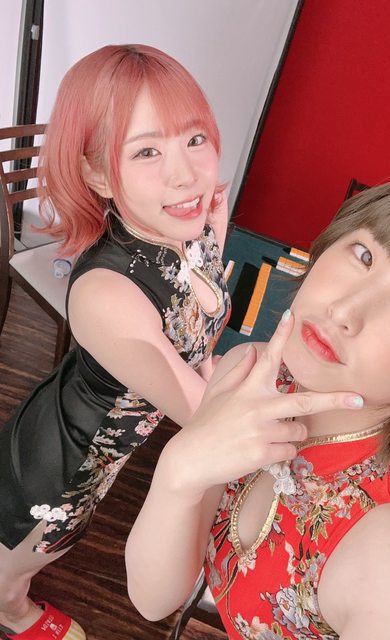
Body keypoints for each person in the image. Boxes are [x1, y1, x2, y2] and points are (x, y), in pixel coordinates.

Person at [125, 168, 390, 640]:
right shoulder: (248, 372)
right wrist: (179, 471)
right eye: (365, 254)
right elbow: (153, 599)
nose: (345, 310)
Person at [0, 44, 231, 640]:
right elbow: (212, 423)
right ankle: (11, 608)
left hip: (120, 444)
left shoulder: (192, 225)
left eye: (195, 139)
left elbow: (198, 327)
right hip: (69, 454)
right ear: (98, 173)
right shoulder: (106, 292)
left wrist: (213, 235)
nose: (187, 174)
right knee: (34, 547)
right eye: (148, 150)